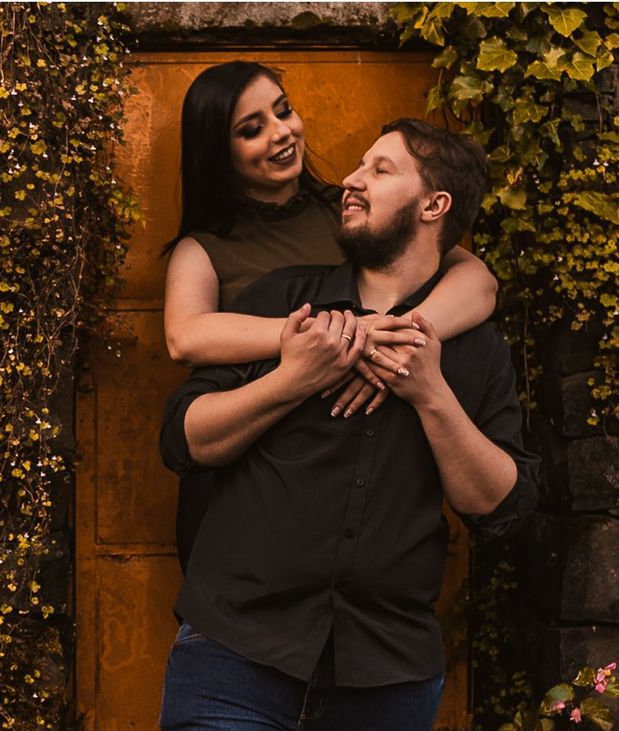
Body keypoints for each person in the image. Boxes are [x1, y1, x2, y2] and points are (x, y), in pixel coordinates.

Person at [157, 119, 540, 731]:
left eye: (380, 169)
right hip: (237, 651)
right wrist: (295, 376)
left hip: (384, 677)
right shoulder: (283, 302)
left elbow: (502, 508)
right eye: (358, 167)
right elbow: (185, 440)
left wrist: (431, 397)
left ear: (435, 205)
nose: (351, 182)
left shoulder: (474, 348)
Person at [162, 61, 499, 572]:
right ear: (218, 151)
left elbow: (479, 283)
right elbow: (185, 337)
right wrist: (340, 336)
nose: (281, 133)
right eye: (252, 130)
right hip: (242, 489)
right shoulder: (203, 250)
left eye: (283, 110)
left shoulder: (354, 215)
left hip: (356, 494)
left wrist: (396, 342)